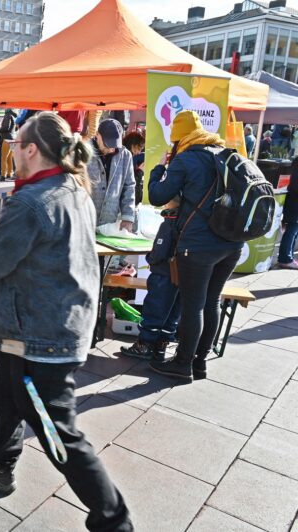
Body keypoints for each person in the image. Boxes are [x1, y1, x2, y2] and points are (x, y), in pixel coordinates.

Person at [0, 112, 132, 532]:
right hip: (40, 328)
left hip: (39, 337)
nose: (12, 150)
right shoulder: (71, 188)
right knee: (7, 395)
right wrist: (1, 228)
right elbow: (45, 244)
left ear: (31, 149)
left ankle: (114, 521)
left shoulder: (32, 200)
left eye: (16, 144)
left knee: (58, 433)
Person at [148, 110, 243, 381]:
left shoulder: (186, 159)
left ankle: (182, 364)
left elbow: (157, 196)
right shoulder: (224, 154)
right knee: (211, 301)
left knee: (193, 306)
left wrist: (157, 170)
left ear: (178, 137)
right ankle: (199, 363)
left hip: (198, 246)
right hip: (231, 243)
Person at [119, 204, 181, 364]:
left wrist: (150, 258)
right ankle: (161, 346)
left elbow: (159, 250)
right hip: (182, 272)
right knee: (173, 312)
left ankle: (144, 345)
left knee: (155, 308)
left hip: (164, 272)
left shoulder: (171, 220)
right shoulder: (192, 219)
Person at [86, 118, 136, 230]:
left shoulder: (125, 155)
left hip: (110, 223)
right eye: (108, 144)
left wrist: (128, 217)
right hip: (85, 221)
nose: (112, 149)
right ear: (97, 135)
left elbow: (129, 187)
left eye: (115, 145)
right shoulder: (83, 152)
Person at [278, 159, 298, 269]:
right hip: (295, 202)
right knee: (292, 230)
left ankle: (288, 257)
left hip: (293, 200)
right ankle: (285, 259)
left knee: (294, 231)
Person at [123, 131, 145, 204]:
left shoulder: (128, 157)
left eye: (140, 149)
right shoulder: (125, 158)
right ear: (132, 145)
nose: (139, 152)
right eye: (138, 148)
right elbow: (130, 182)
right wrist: (140, 171)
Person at [0, 108, 18, 180]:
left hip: (7, 138)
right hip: (13, 138)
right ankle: (10, 173)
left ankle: (3, 175)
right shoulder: (14, 115)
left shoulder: (7, 115)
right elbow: (15, 128)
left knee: (4, 157)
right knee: (9, 157)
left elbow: (5, 127)